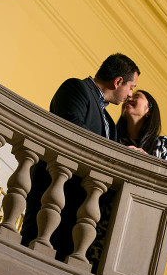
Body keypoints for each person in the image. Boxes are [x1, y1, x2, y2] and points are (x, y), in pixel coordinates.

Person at [20, 53, 140, 261]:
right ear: (118, 81)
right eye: (131, 87)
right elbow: (73, 129)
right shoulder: (76, 88)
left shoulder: (110, 123)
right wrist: (117, 151)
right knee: (31, 255)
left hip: (79, 208)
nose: (130, 94)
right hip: (53, 193)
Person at [116, 90, 167, 162]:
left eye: (136, 96)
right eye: (126, 98)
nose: (129, 99)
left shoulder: (163, 143)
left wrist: (147, 161)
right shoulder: (113, 138)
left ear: (149, 111)